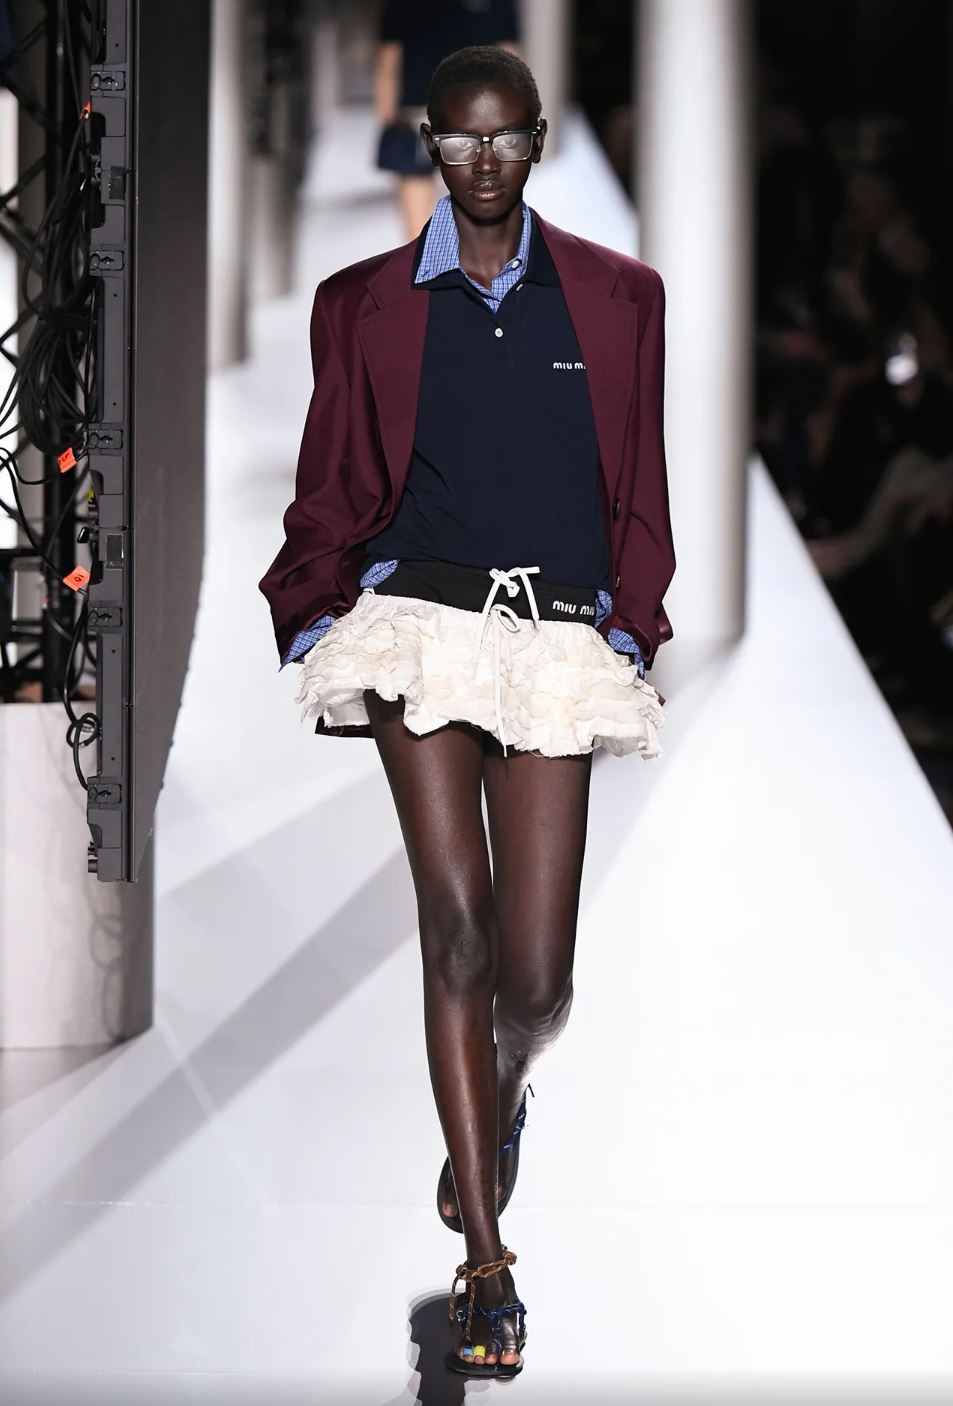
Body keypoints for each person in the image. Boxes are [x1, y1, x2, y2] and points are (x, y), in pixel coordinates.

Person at [259, 45, 675, 1379]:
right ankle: (485, 1260)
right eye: (458, 140)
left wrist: (629, 621)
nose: (481, 161)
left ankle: (500, 1091)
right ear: (430, 145)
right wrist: (317, 611)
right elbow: (334, 470)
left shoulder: (617, 299)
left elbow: (638, 475)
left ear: (538, 141)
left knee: (537, 979)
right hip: (422, 629)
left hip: (552, 637)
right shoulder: (363, 304)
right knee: (455, 929)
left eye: (504, 139)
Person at [374, 0, 519, 239]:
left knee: (418, 233)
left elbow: (388, 63)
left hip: (418, 115)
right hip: (478, 117)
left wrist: (388, 120)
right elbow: (510, 59)